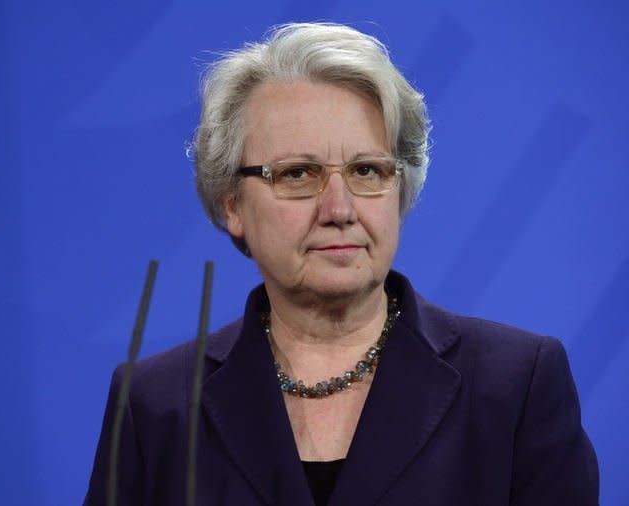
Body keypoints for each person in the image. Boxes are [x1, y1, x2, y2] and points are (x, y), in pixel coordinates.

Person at [84, 22, 598, 505]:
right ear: (232, 203)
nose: (339, 210)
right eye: (298, 174)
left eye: (367, 170)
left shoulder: (516, 385)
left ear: (400, 191)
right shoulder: (155, 405)